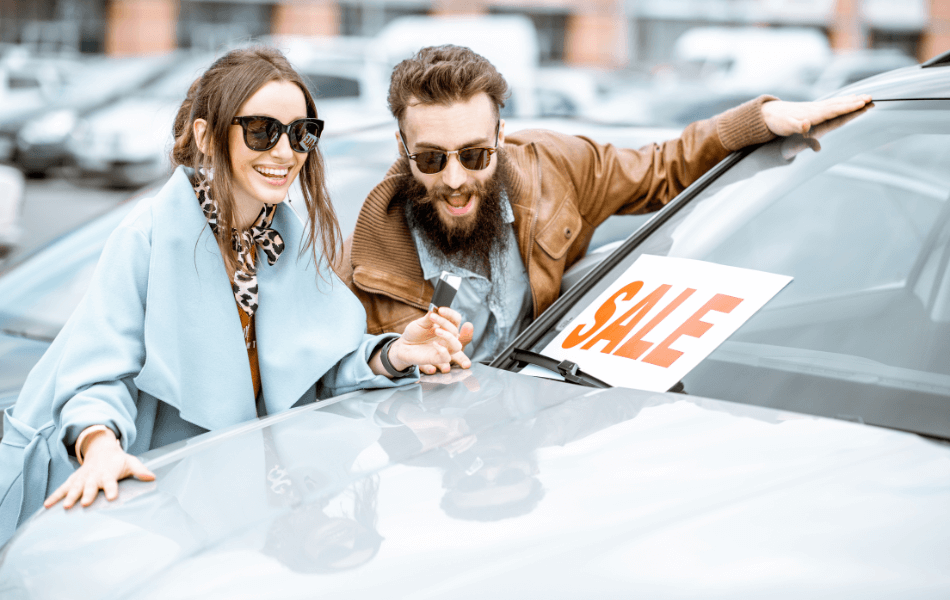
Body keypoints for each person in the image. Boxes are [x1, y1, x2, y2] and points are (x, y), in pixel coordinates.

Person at [0, 46, 466, 546]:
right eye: (262, 130)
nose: (285, 153)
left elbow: (314, 368)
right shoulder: (149, 235)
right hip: (117, 501)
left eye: (302, 133)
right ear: (206, 134)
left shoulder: (286, 241)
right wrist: (100, 445)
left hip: (218, 506)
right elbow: (95, 375)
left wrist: (395, 352)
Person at [336, 45, 873, 365]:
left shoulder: (556, 168)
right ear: (403, 149)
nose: (455, 180)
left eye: (476, 155)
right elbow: (329, 385)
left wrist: (760, 120)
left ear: (500, 135)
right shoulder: (361, 264)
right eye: (430, 160)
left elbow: (665, 168)